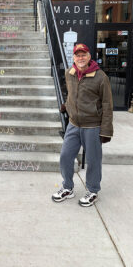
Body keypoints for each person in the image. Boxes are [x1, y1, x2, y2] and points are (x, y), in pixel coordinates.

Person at [52, 43, 113, 207]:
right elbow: (72, 93)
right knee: (65, 155)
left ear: (89, 57)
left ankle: (93, 190)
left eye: (83, 55)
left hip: (92, 125)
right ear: (74, 57)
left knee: (93, 160)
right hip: (74, 124)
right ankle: (68, 187)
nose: (80, 58)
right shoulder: (69, 73)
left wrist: (106, 130)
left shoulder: (101, 77)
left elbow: (107, 104)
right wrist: (67, 105)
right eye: (77, 55)